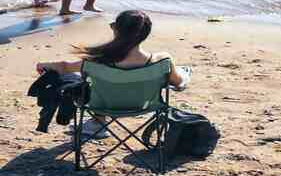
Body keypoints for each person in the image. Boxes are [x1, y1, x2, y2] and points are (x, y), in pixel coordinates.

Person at [36, 10, 190, 138]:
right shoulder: (162, 61)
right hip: (144, 106)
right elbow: (179, 83)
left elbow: (64, 66)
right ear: (145, 34)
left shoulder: (98, 62)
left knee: (78, 80)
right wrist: (185, 74)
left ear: (117, 30)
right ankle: (96, 124)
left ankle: (97, 123)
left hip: (104, 106)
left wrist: (43, 65)